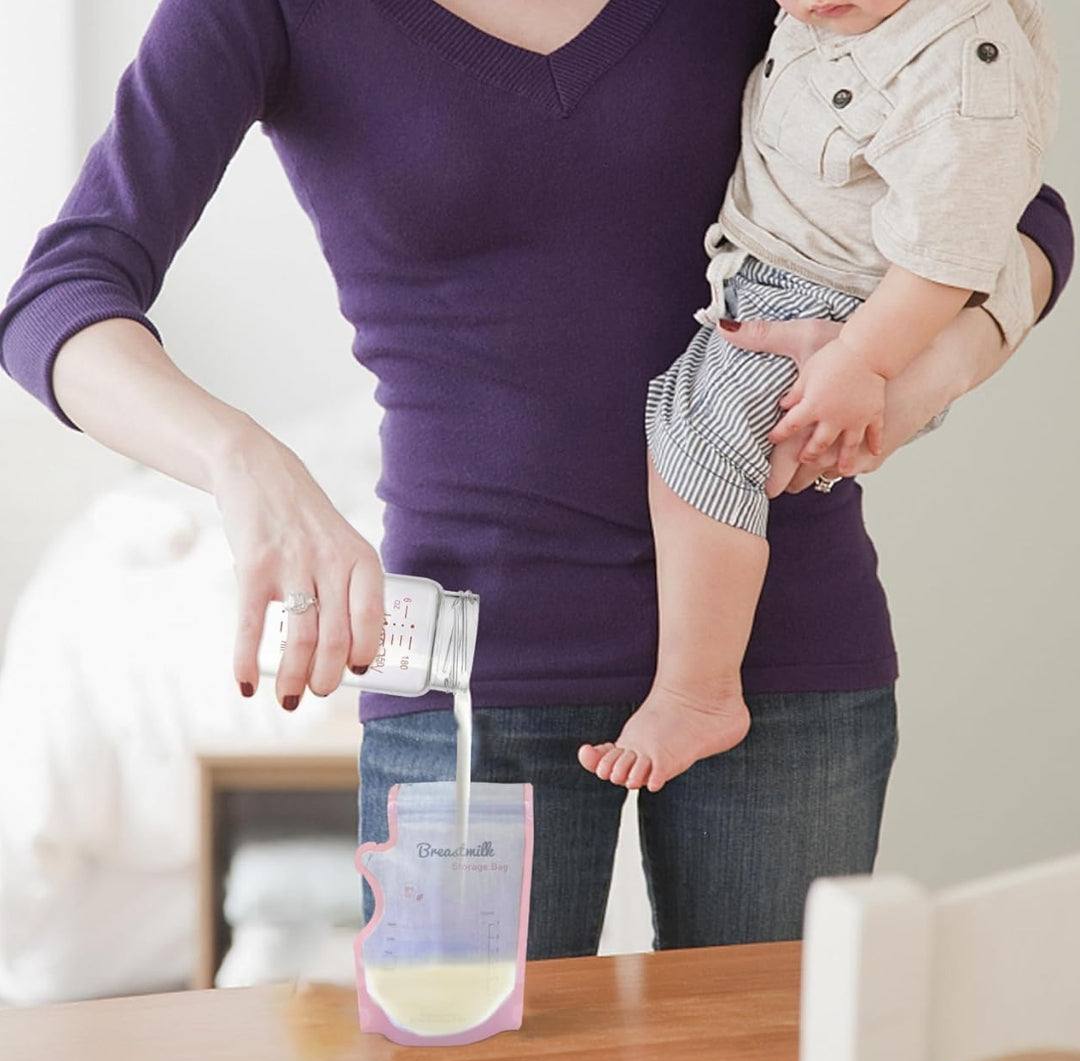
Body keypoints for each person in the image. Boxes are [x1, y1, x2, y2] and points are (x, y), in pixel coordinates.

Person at [0, 0, 1072, 959]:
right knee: (455, 1052)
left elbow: (1019, 209)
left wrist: (926, 377)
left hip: (778, 658)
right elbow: (59, 297)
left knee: (771, 1060)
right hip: (469, 687)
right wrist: (246, 462)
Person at [577, 0, 1059, 794]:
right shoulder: (845, 16)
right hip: (777, 271)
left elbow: (956, 248)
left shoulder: (963, 56)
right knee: (685, 426)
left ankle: (698, 693)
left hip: (845, 303)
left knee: (702, 448)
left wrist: (866, 362)